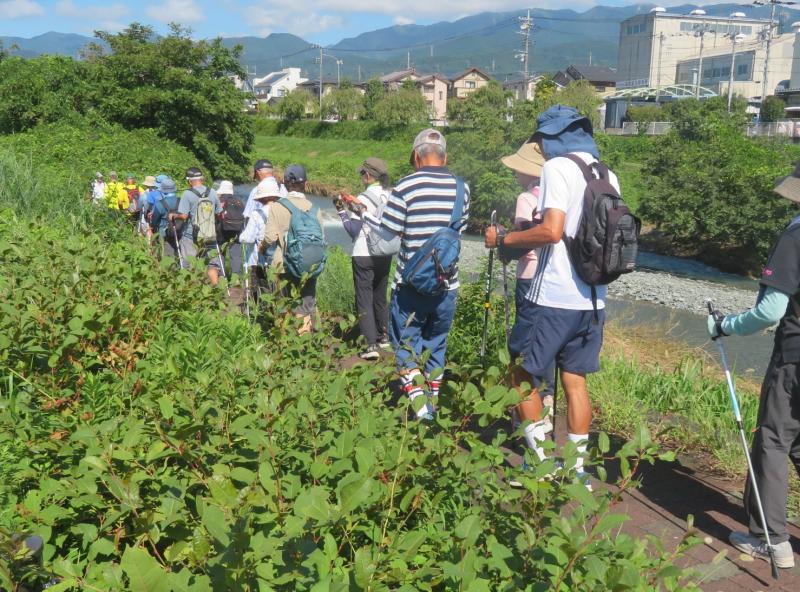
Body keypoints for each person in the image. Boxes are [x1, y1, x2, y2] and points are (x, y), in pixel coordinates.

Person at [485, 105, 618, 486]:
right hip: (592, 299)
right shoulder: (606, 172)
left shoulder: (557, 169)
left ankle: (540, 466)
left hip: (553, 296)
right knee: (575, 382)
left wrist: (504, 240)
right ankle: (576, 472)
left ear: (552, 138)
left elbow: (552, 231)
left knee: (521, 374)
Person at [707, 163, 800, 570]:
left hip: (795, 360)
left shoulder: (795, 235)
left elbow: (770, 311)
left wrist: (726, 325)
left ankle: (769, 539)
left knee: (774, 442)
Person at [380, 129, 469, 419]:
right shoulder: (462, 188)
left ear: (417, 156)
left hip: (410, 286)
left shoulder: (406, 186)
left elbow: (388, 237)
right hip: (447, 286)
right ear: (446, 157)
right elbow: (456, 238)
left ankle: (422, 412)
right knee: (436, 344)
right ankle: (433, 402)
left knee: (405, 346)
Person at [500, 140, 556, 434]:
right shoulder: (554, 195)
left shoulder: (526, 198)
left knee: (521, 345)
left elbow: (523, 243)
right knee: (545, 341)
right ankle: (547, 400)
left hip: (528, 276)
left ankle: (524, 410)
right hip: (551, 279)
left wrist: (502, 245)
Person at [335, 157, 394, 360]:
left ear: (369, 176)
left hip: (364, 252)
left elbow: (353, 230)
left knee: (364, 298)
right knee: (380, 296)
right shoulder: (390, 195)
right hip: (385, 251)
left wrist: (342, 211)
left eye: (363, 174)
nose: (361, 177)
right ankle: (384, 336)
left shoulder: (364, 197)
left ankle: (370, 345)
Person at [263, 164, 324, 334]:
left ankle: (285, 344)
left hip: (283, 263)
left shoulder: (277, 206)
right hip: (308, 265)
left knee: (283, 305)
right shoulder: (315, 208)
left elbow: (270, 237)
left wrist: (262, 248)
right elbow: (321, 238)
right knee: (304, 306)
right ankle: (303, 343)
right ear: (305, 183)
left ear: (284, 182)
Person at [169, 167, 223, 285]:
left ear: (189, 180)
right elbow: (219, 212)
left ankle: (192, 292)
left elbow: (183, 216)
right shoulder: (213, 192)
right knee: (212, 264)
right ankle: (216, 290)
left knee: (188, 264)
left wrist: (173, 216)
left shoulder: (187, 194)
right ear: (202, 178)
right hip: (209, 234)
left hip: (191, 234)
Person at [239, 182, 282, 307]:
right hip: (279, 259)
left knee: (259, 291)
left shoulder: (257, 214)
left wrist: (241, 237)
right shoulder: (283, 212)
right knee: (277, 291)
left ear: (261, 198)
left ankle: (258, 317)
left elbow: (248, 238)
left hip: (258, 259)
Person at [216, 180, 244, 278]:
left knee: (220, 252)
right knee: (236, 254)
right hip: (237, 229)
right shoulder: (239, 201)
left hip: (222, 230)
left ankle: (221, 275)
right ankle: (236, 277)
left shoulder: (219, 200)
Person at [149, 178, 181, 262]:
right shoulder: (180, 201)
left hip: (164, 233)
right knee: (179, 253)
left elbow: (154, 221)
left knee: (167, 256)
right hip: (179, 231)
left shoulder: (160, 204)